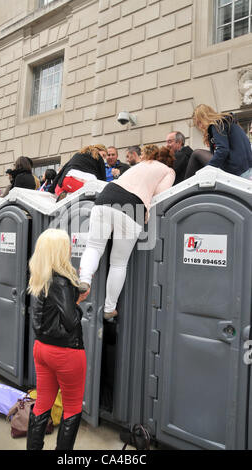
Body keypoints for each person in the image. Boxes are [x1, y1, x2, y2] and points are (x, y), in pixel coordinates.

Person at [79, 144, 176, 321]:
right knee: (118, 263)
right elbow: (160, 196)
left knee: (93, 247)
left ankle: (85, 279)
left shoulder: (142, 164)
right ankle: (109, 308)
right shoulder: (168, 171)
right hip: (133, 206)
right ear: (169, 160)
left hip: (107, 197)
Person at [27, 229, 89, 451]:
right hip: (66, 353)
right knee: (72, 408)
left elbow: (49, 314)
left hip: (42, 349)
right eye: (67, 245)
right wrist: (78, 302)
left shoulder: (39, 276)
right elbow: (71, 322)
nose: (71, 248)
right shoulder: (61, 281)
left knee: (43, 402)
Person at [185, 104, 252, 180]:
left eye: (199, 122)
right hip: (247, 169)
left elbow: (223, 149)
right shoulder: (229, 123)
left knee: (196, 154)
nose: (200, 126)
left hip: (235, 171)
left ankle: (184, 186)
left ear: (205, 117)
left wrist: (207, 169)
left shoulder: (216, 124)